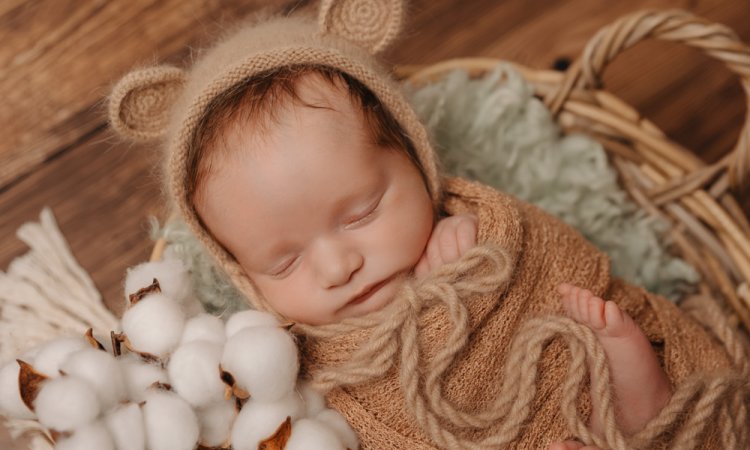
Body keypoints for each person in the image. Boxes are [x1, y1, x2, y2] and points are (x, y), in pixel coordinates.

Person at [108, 1, 733, 447]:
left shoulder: (481, 233)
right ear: (238, 273)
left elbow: (550, 263)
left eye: (361, 213)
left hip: (589, 400)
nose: (337, 265)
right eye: (283, 262)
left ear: (416, 160)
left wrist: (471, 275)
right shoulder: (290, 366)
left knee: (624, 351)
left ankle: (640, 402)